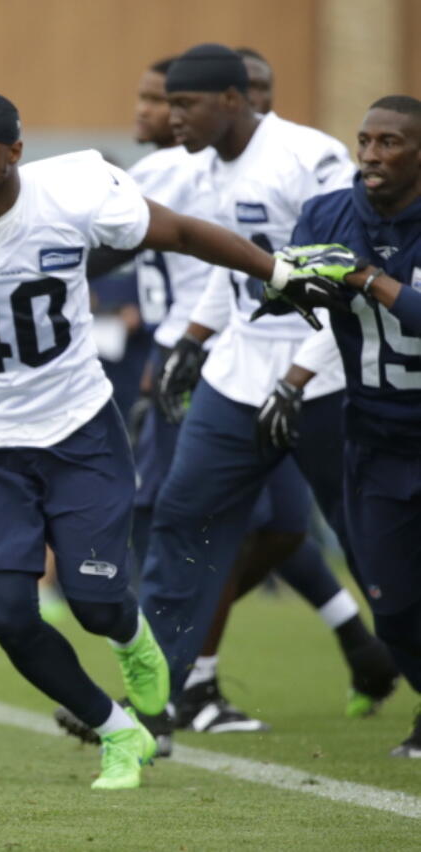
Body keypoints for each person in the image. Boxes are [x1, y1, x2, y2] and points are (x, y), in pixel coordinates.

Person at [0, 89, 299, 790]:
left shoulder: (75, 189)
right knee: (10, 617)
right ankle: (118, 732)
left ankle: (131, 639)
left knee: (96, 603)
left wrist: (275, 271)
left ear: (14, 153)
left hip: (76, 427)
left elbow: (177, 232)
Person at [115, 52, 396, 743]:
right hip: (238, 375)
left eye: (188, 104)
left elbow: (341, 280)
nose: (174, 117)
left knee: (375, 542)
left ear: (235, 100)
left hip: (324, 375)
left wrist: (299, 378)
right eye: (169, 104)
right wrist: (192, 341)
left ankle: (402, 673)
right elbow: (237, 264)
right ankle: (154, 696)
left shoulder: (306, 157)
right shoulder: (205, 166)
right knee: (184, 519)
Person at [254, 95, 421, 757]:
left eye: (390, 144)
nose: (372, 156)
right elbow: (291, 299)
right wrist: (285, 287)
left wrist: (363, 275)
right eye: (365, 141)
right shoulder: (328, 213)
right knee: (394, 603)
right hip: (375, 435)